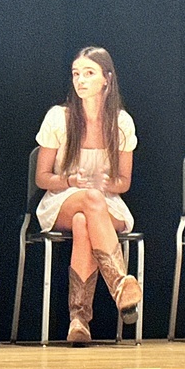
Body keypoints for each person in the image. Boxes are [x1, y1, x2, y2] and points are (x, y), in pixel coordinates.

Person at [33, 47, 141, 344]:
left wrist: (109, 183)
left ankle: (79, 320)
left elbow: (124, 183)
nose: (80, 80)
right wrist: (69, 179)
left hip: (105, 203)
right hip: (63, 198)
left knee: (85, 222)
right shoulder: (59, 117)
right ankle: (120, 284)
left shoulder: (121, 122)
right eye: (76, 74)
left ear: (106, 79)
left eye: (88, 73)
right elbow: (41, 178)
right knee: (88, 203)